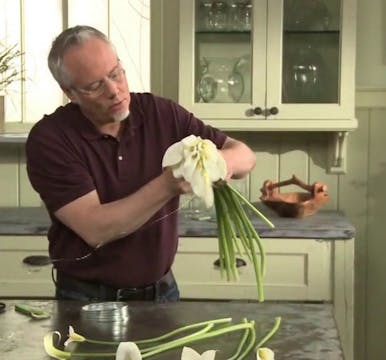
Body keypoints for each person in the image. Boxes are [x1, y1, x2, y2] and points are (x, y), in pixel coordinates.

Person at [25, 25, 256, 302]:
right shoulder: (51, 139)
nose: (114, 90)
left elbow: (245, 156)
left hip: (162, 292)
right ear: (70, 92)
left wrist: (216, 163)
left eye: (115, 74)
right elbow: (96, 229)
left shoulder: (161, 113)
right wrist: (169, 185)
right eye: (95, 86)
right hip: (86, 298)